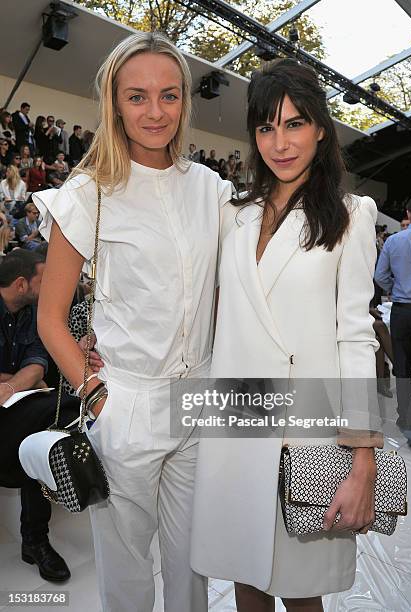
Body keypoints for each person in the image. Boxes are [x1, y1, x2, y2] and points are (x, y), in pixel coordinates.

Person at [33, 31, 232, 612]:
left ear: (184, 103)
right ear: (114, 103)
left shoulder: (212, 189)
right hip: (126, 402)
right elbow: (50, 318)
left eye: (168, 95)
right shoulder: (88, 193)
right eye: (137, 96)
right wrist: (97, 397)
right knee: (126, 573)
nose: (155, 111)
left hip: (199, 398)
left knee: (195, 564)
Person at [191, 58, 383, 612]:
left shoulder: (350, 215)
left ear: (321, 128)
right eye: (266, 127)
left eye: (295, 123)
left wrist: (362, 453)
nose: (280, 142)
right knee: (245, 578)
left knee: (301, 591)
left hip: (309, 431)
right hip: (237, 424)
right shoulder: (236, 215)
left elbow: (356, 337)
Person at [0, 249, 79, 582]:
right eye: (43, 280)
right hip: (18, 403)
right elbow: (32, 371)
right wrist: (23, 378)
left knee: (49, 428)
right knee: (45, 424)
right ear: (21, 284)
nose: (52, 286)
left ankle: (35, 540)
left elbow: (36, 362)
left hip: (18, 404)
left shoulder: (32, 312)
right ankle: (34, 540)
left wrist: (11, 383)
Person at [374, 195, 411, 448]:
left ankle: (404, 418)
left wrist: (396, 288)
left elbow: (380, 275)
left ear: (408, 213)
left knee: (401, 366)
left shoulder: (393, 240)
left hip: (401, 309)